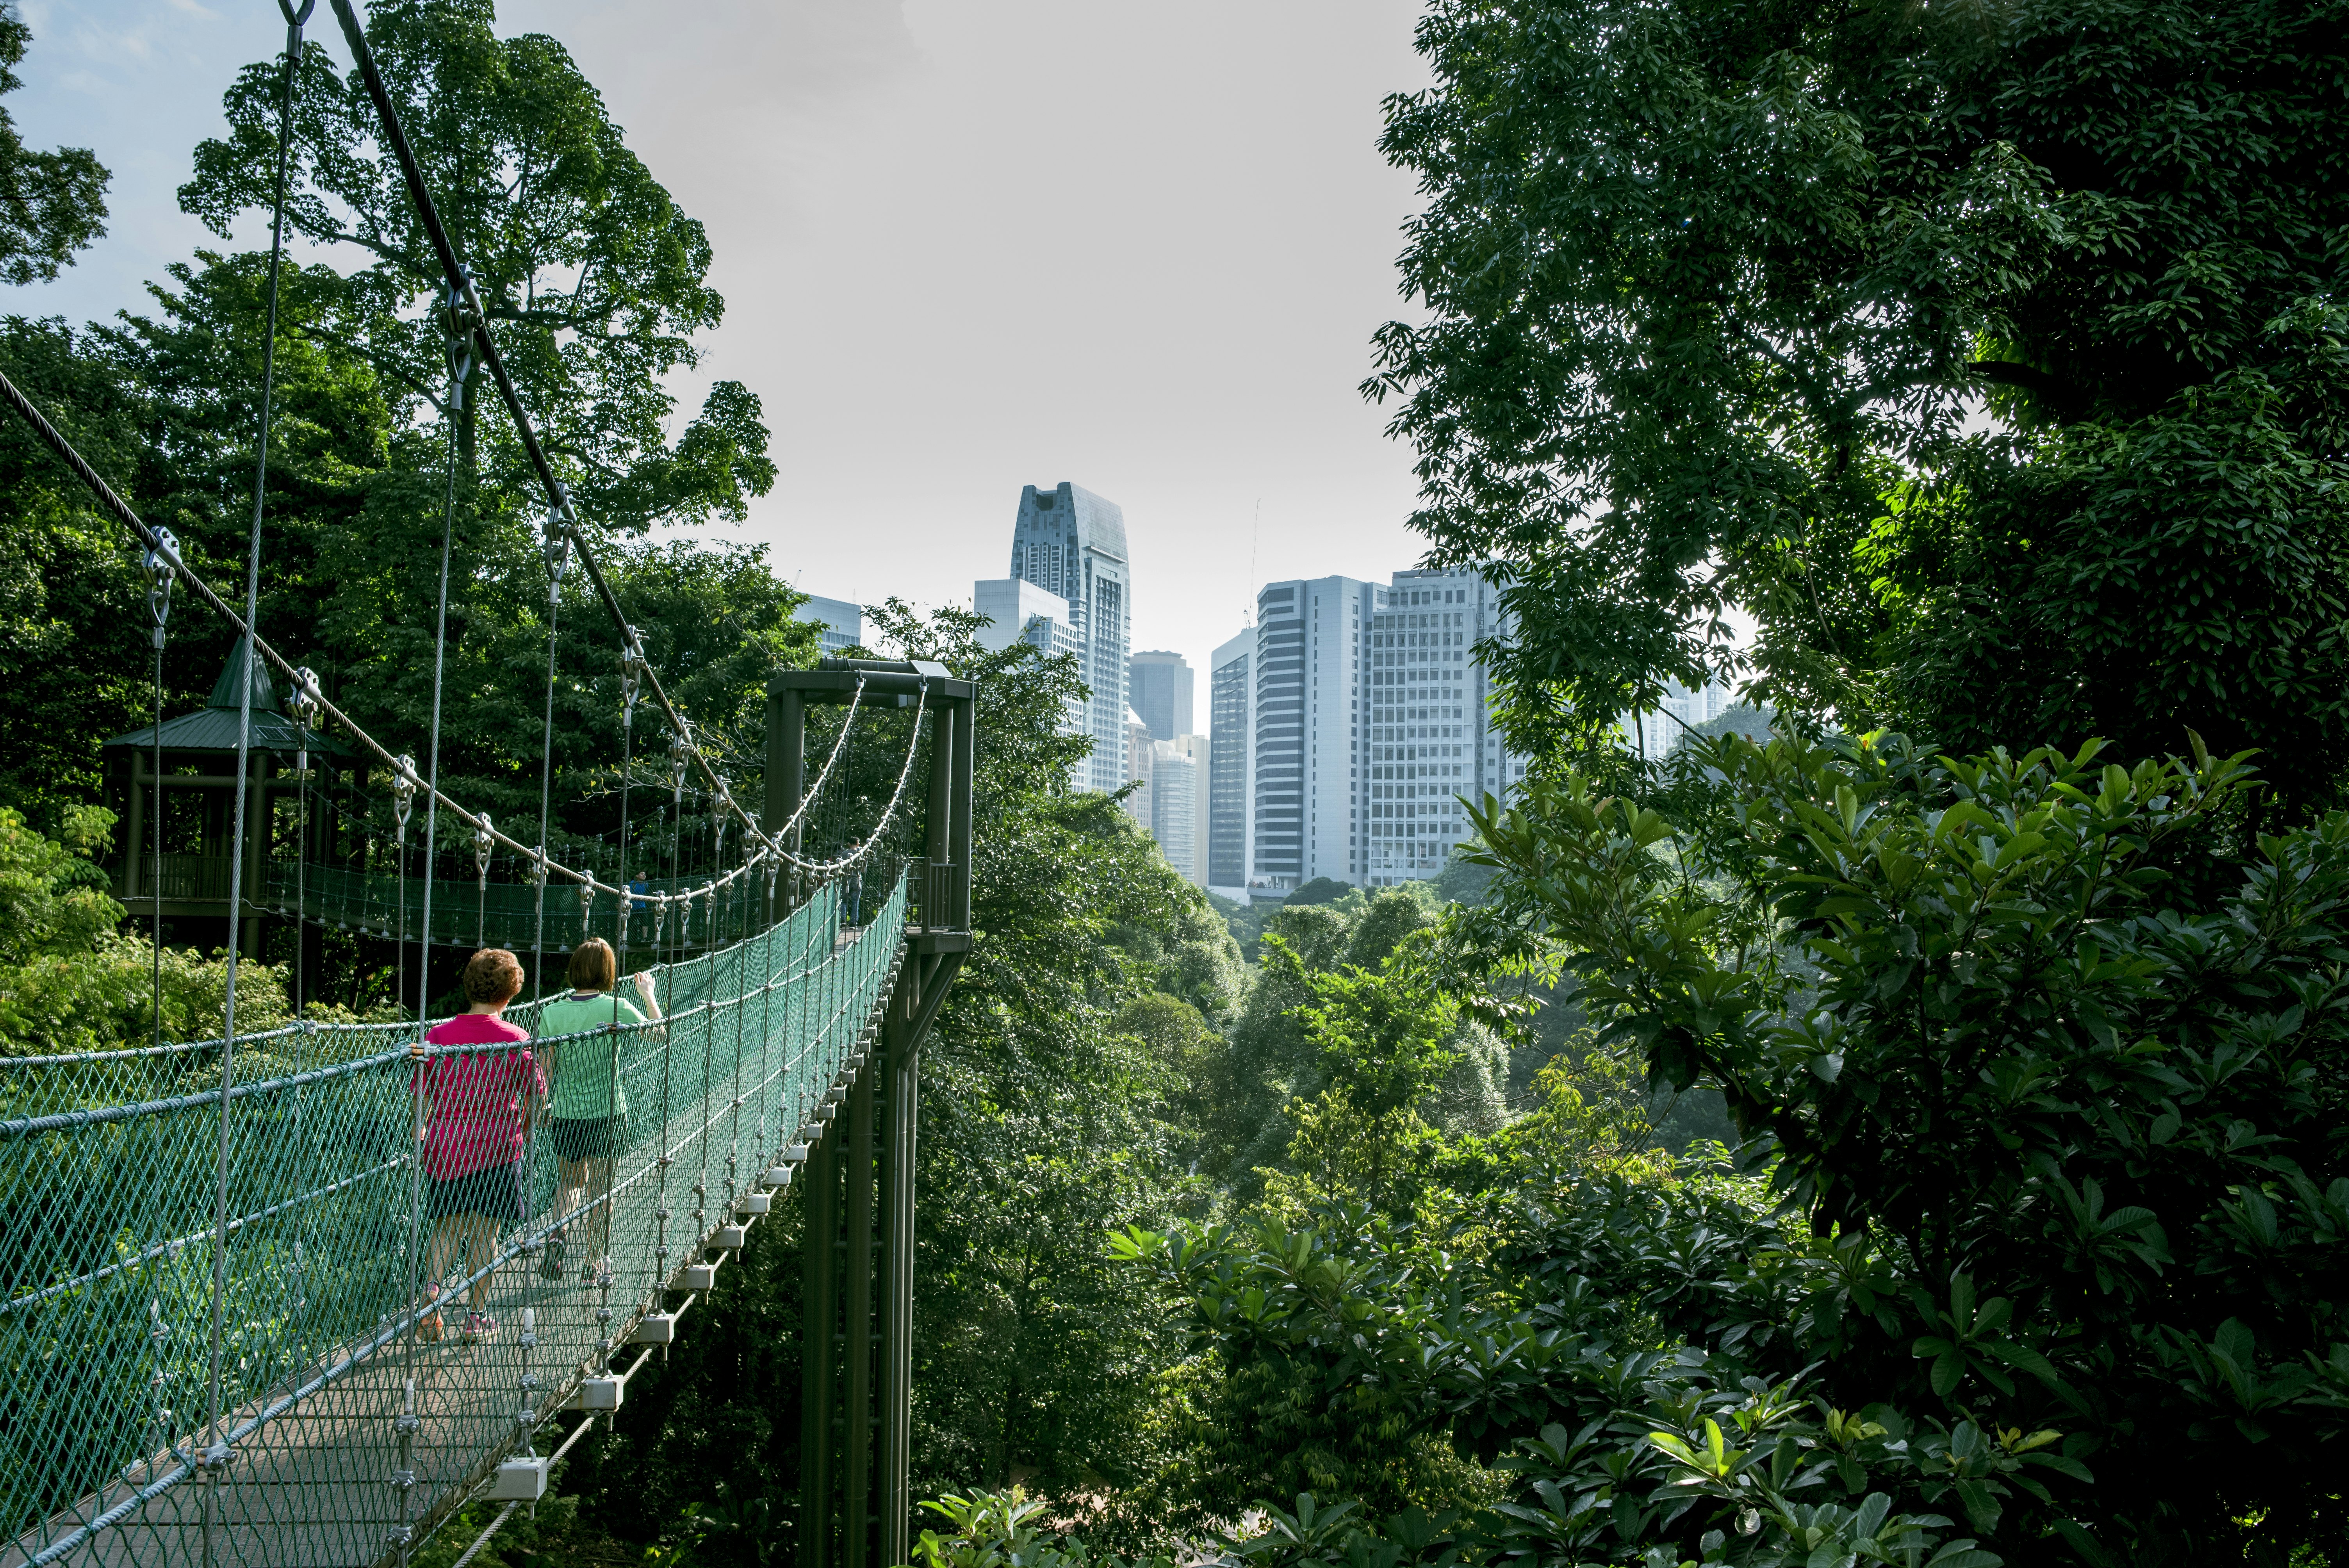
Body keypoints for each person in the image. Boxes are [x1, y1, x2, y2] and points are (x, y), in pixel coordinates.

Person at [414, 948, 544, 1344]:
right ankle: (476, 1316)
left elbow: (420, 1097)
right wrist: (524, 1123)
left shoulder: (436, 1037)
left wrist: (422, 1133)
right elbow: (536, 1094)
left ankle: (433, 1293)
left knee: (447, 1230)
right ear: (511, 992)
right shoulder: (515, 1038)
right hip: (497, 1148)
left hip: (446, 1148)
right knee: (486, 1234)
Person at [534, 937, 659, 1281]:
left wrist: (544, 1104)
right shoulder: (616, 1007)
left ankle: (557, 1233)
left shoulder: (551, 1012)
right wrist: (648, 993)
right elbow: (658, 1033)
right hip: (608, 1113)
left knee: (570, 1183)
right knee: (602, 1191)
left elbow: (544, 1067)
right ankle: (595, 1262)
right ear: (608, 972)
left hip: (566, 1114)